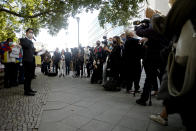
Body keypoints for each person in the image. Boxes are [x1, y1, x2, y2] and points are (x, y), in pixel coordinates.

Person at [20, 28, 37, 96]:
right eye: (30, 32)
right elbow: (26, 45)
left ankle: (29, 89)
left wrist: (40, 51)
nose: (31, 33)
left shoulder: (31, 42)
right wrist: (31, 40)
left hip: (32, 60)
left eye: (32, 32)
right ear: (26, 33)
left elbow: (33, 52)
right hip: (26, 61)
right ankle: (26, 91)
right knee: (27, 76)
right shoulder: (23, 40)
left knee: (30, 76)